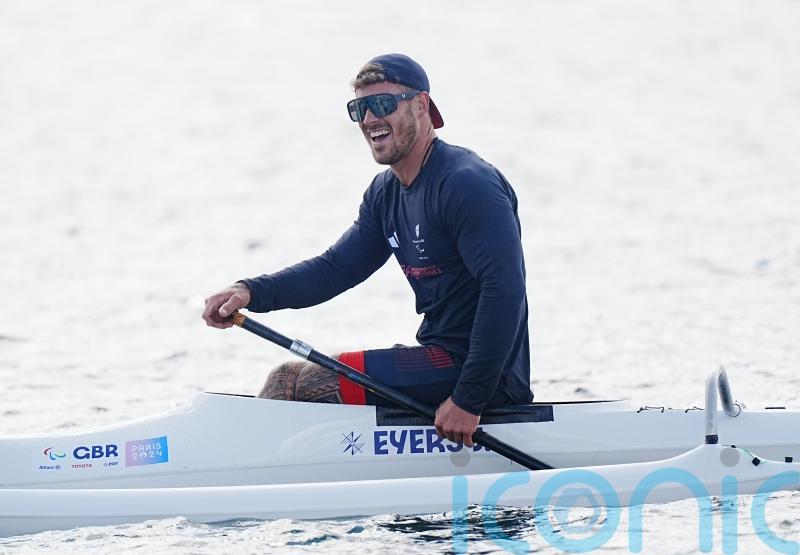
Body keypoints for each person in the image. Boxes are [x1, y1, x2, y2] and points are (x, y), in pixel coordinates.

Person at [203, 53, 532, 447]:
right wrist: (251, 291)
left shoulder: (467, 183)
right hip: (438, 359)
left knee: (293, 383)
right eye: (360, 108)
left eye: (382, 104)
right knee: (289, 380)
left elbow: (505, 290)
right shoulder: (385, 194)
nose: (370, 119)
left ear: (421, 106)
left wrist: (468, 399)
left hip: (481, 375)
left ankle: (242, 476)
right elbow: (334, 269)